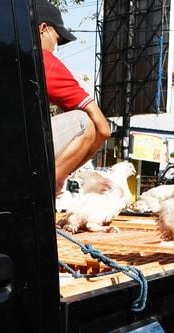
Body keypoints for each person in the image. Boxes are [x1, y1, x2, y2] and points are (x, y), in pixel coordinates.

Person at [35, 0, 111, 196]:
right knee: (84, 122)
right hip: (17, 152)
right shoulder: (43, 60)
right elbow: (103, 129)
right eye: (57, 40)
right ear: (43, 29)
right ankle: (43, 190)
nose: (55, 46)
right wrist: (66, 171)